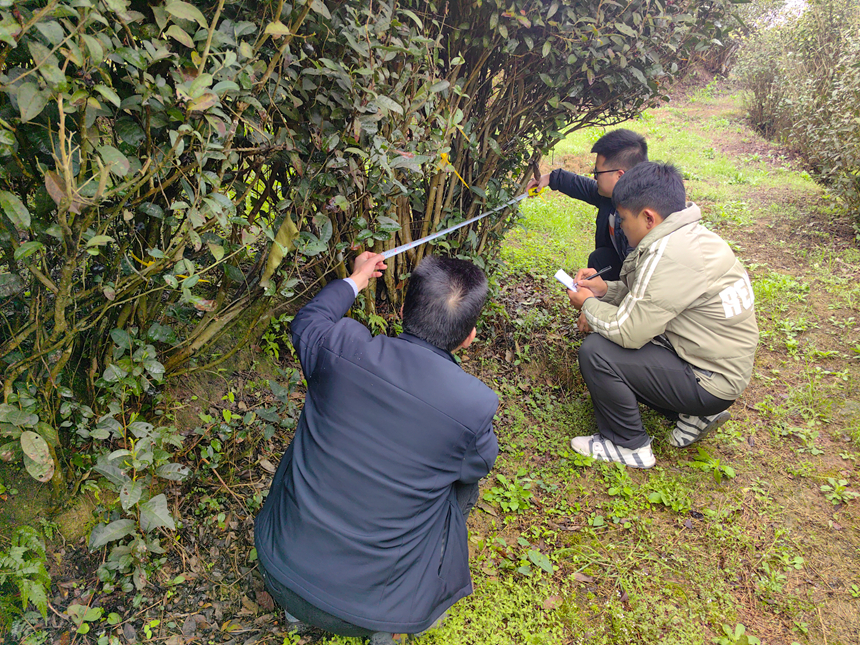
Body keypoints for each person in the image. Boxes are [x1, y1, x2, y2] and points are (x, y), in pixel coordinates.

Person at [254, 253, 499, 644]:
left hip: (278, 570)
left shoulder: (341, 346)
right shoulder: (473, 404)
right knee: (463, 482)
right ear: (469, 337)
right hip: (374, 614)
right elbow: (480, 463)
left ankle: (295, 612)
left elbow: (308, 321)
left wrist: (357, 279)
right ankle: (388, 628)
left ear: (402, 310)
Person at [565, 162, 758, 468]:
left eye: (624, 219)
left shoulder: (669, 254)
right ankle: (695, 415)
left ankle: (627, 444)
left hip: (708, 378)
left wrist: (588, 304)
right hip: (712, 365)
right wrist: (603, 291)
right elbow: (647, 299)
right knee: (621, 339)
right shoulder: (686, 236)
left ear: (648, 218)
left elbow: (629, 330)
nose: (622, 227)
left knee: (598, 352)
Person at [526, 128, 648, 282]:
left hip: (639, 283)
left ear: (619, 176)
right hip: (617, 265)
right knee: (600, 258)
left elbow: (641, 281)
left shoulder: (639, 219)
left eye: (597, 172)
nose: (594, 177)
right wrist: (551, 178)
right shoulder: (616, 193)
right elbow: (587, 188)